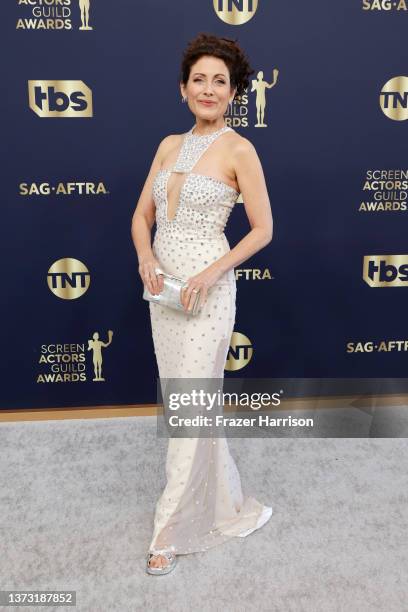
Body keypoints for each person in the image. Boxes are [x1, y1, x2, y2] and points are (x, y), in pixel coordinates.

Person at [131, 32, 274, 575]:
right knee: (184, 404)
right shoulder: (168, 144)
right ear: (183, 89)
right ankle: (219, 502)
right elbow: (141, 217)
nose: (208, 89)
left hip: (208, 294)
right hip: (162, 292)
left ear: (234, 91)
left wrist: (213, 273)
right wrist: (146, 257)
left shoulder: (241, 149)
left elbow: (262, 229)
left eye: (220, 80)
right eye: (199, 80)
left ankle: (167, 530)